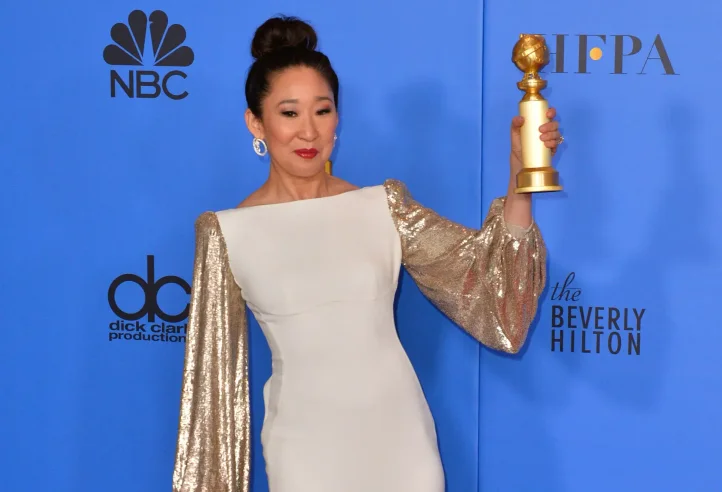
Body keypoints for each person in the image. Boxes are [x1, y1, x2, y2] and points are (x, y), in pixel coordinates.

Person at [171, 15, 562, 492]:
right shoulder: (227, 233)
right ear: (256, 121)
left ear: (338, 115)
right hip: (305, 450)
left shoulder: (384, 206)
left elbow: (489, 294)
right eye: (289, 113)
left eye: (323, 110)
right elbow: (212, 392)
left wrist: (520, 180)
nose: (309, 132)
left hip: (402, 442)